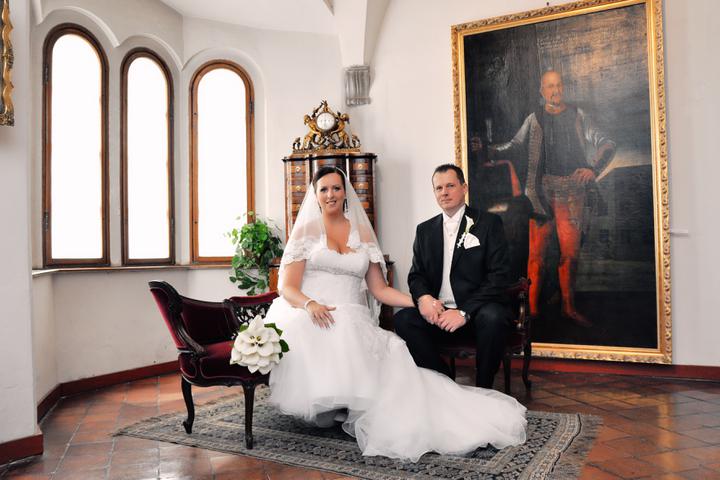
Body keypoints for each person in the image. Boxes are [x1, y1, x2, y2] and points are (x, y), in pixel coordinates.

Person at [265, 166, 526, 462]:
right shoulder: (306, 231)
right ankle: (338, 403)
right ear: (315, 195)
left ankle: (445, 390)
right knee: (371, 330)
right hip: (313, 310)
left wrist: (423, 303)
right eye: (323, 189)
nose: (330, 194)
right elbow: (286, 287)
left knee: (384, 346)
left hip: (360, 315)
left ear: (345, 192)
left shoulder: (362, 232)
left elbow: (380, 289)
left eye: (336, 188)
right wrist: (311, 304)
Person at [491, 70, 616, 326]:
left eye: (558, 85)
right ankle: (531, 312)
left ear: (563, 88)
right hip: (540, 192)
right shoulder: (534, 118)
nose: (555, 90)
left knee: (569, 254)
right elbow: (514, 145)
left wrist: (593, 169)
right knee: (536, 256)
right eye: (549, 86)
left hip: (572, 192)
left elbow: (607, 143)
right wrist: (488, 149)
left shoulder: (578, 115)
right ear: (542, 91)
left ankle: (568, 308)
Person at [394, 164, 513, 389]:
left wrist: (464, 311)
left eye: (450, 186)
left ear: (464, 188)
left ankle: (483, 389)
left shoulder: (488, 223)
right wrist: (424, 298)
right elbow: (416, 275)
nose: (444, 193)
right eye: (439, 188)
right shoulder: (424, 230)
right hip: (439, 313)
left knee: (494, 317)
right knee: (403, 320)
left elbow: (499, 276)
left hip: (476, 312)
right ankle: (447, 385)